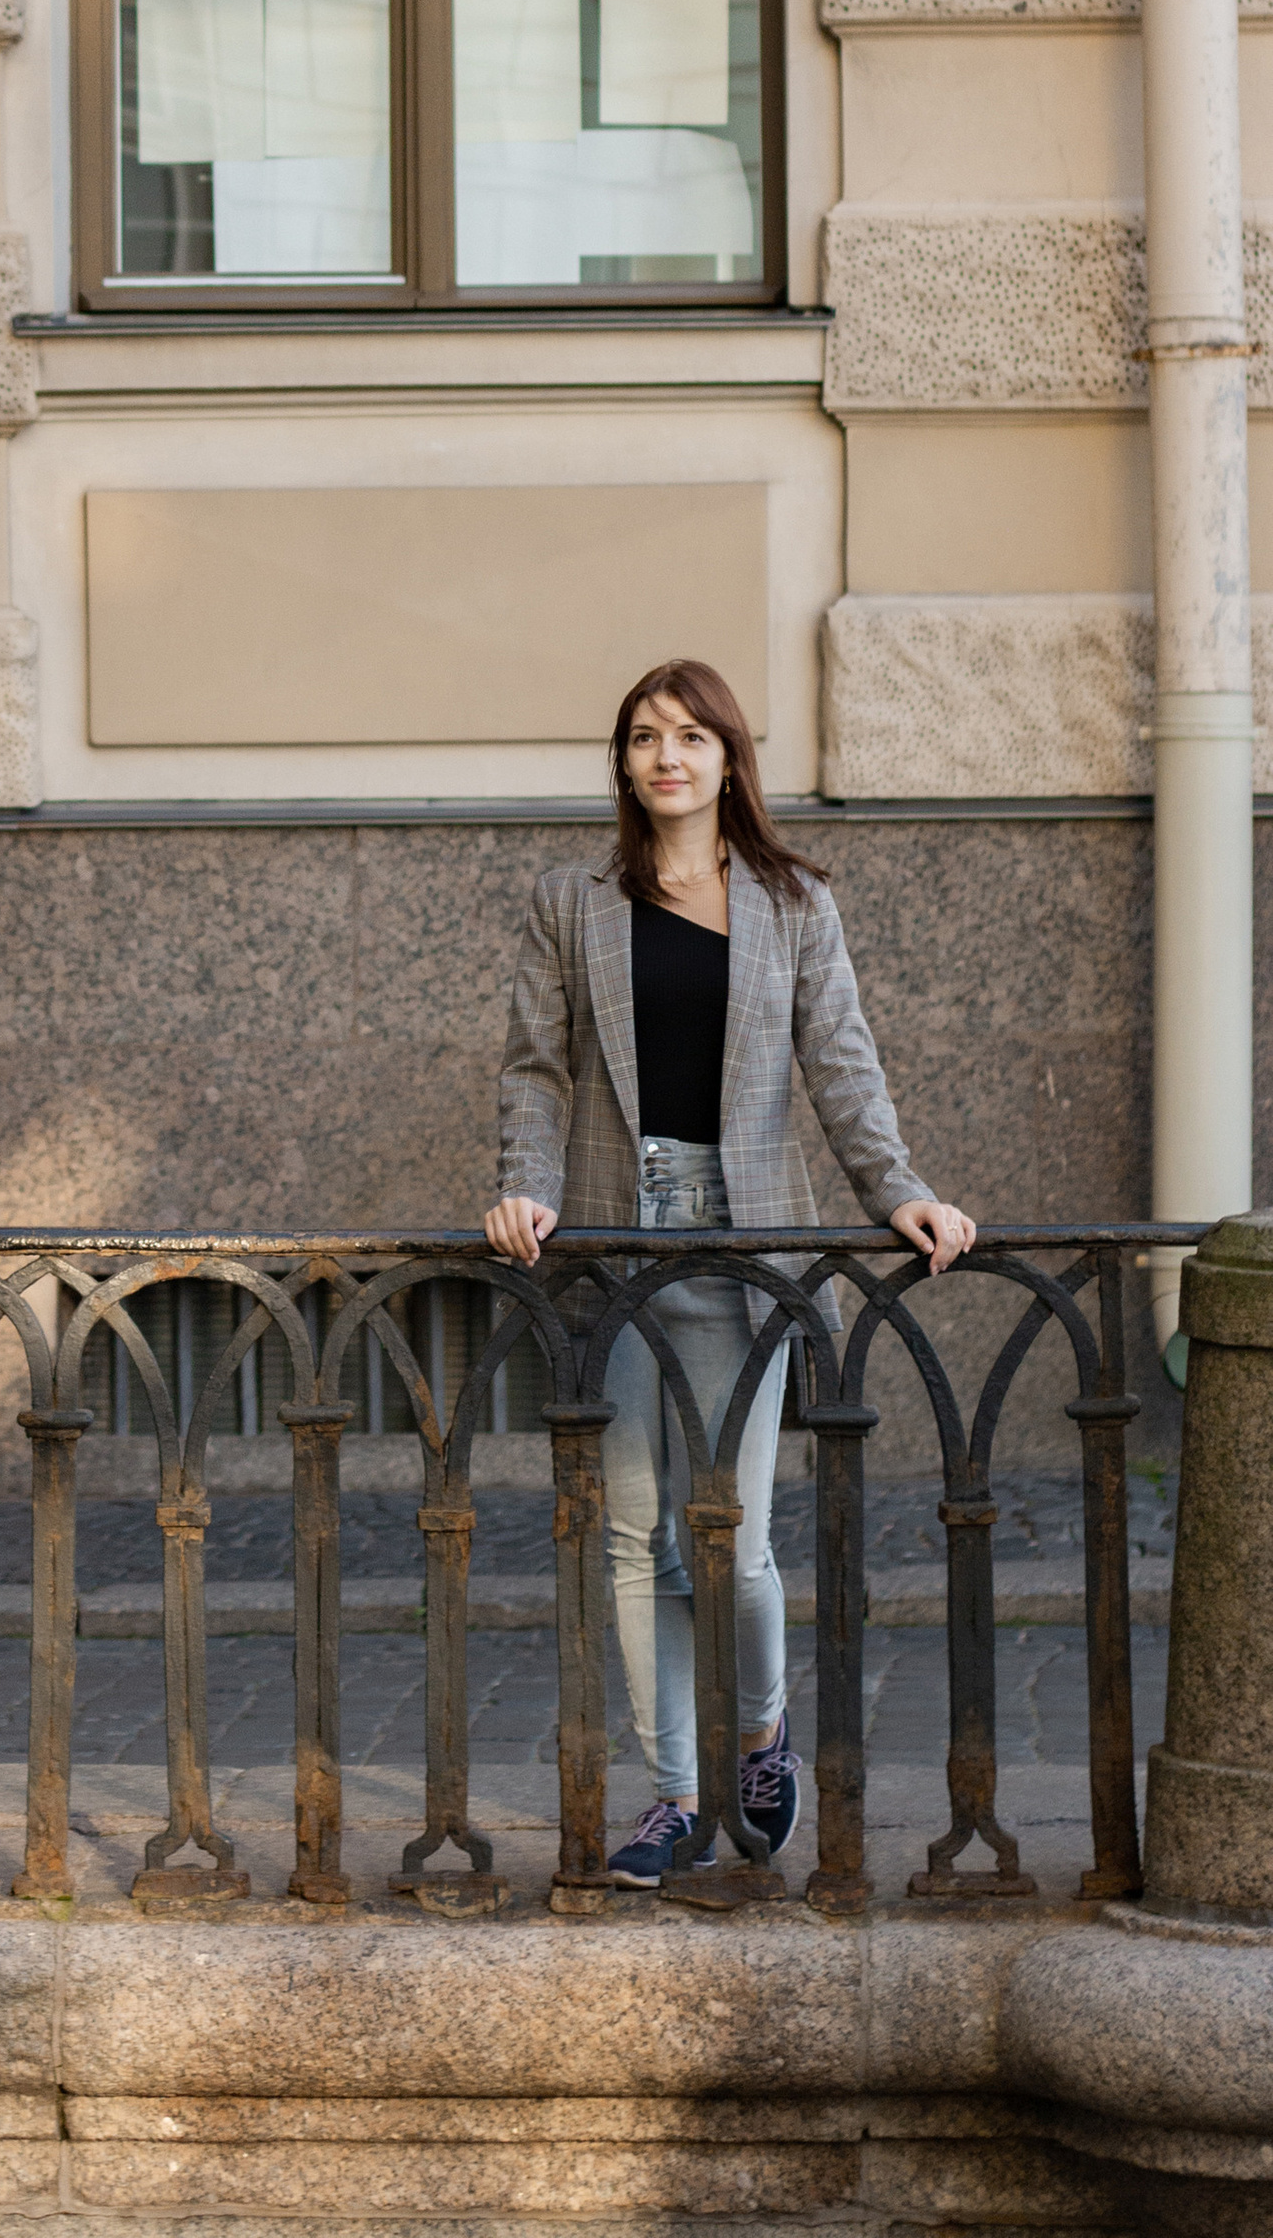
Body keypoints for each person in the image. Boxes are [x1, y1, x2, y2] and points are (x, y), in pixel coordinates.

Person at [482, 660, 973, 1887]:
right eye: (645, 736)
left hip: (746, 1249)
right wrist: (524, 1182)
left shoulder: (793, 904)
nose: (667, 756)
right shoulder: (570, 902)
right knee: (634, 1536)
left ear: (727, 759)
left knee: (734, 1534)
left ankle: (758, 1736)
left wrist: (899, 1189)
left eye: (691, 736)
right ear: (623, 761)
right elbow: (535, 1066)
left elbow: (840, 1062)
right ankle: (672, 1797)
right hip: (612, 1242)